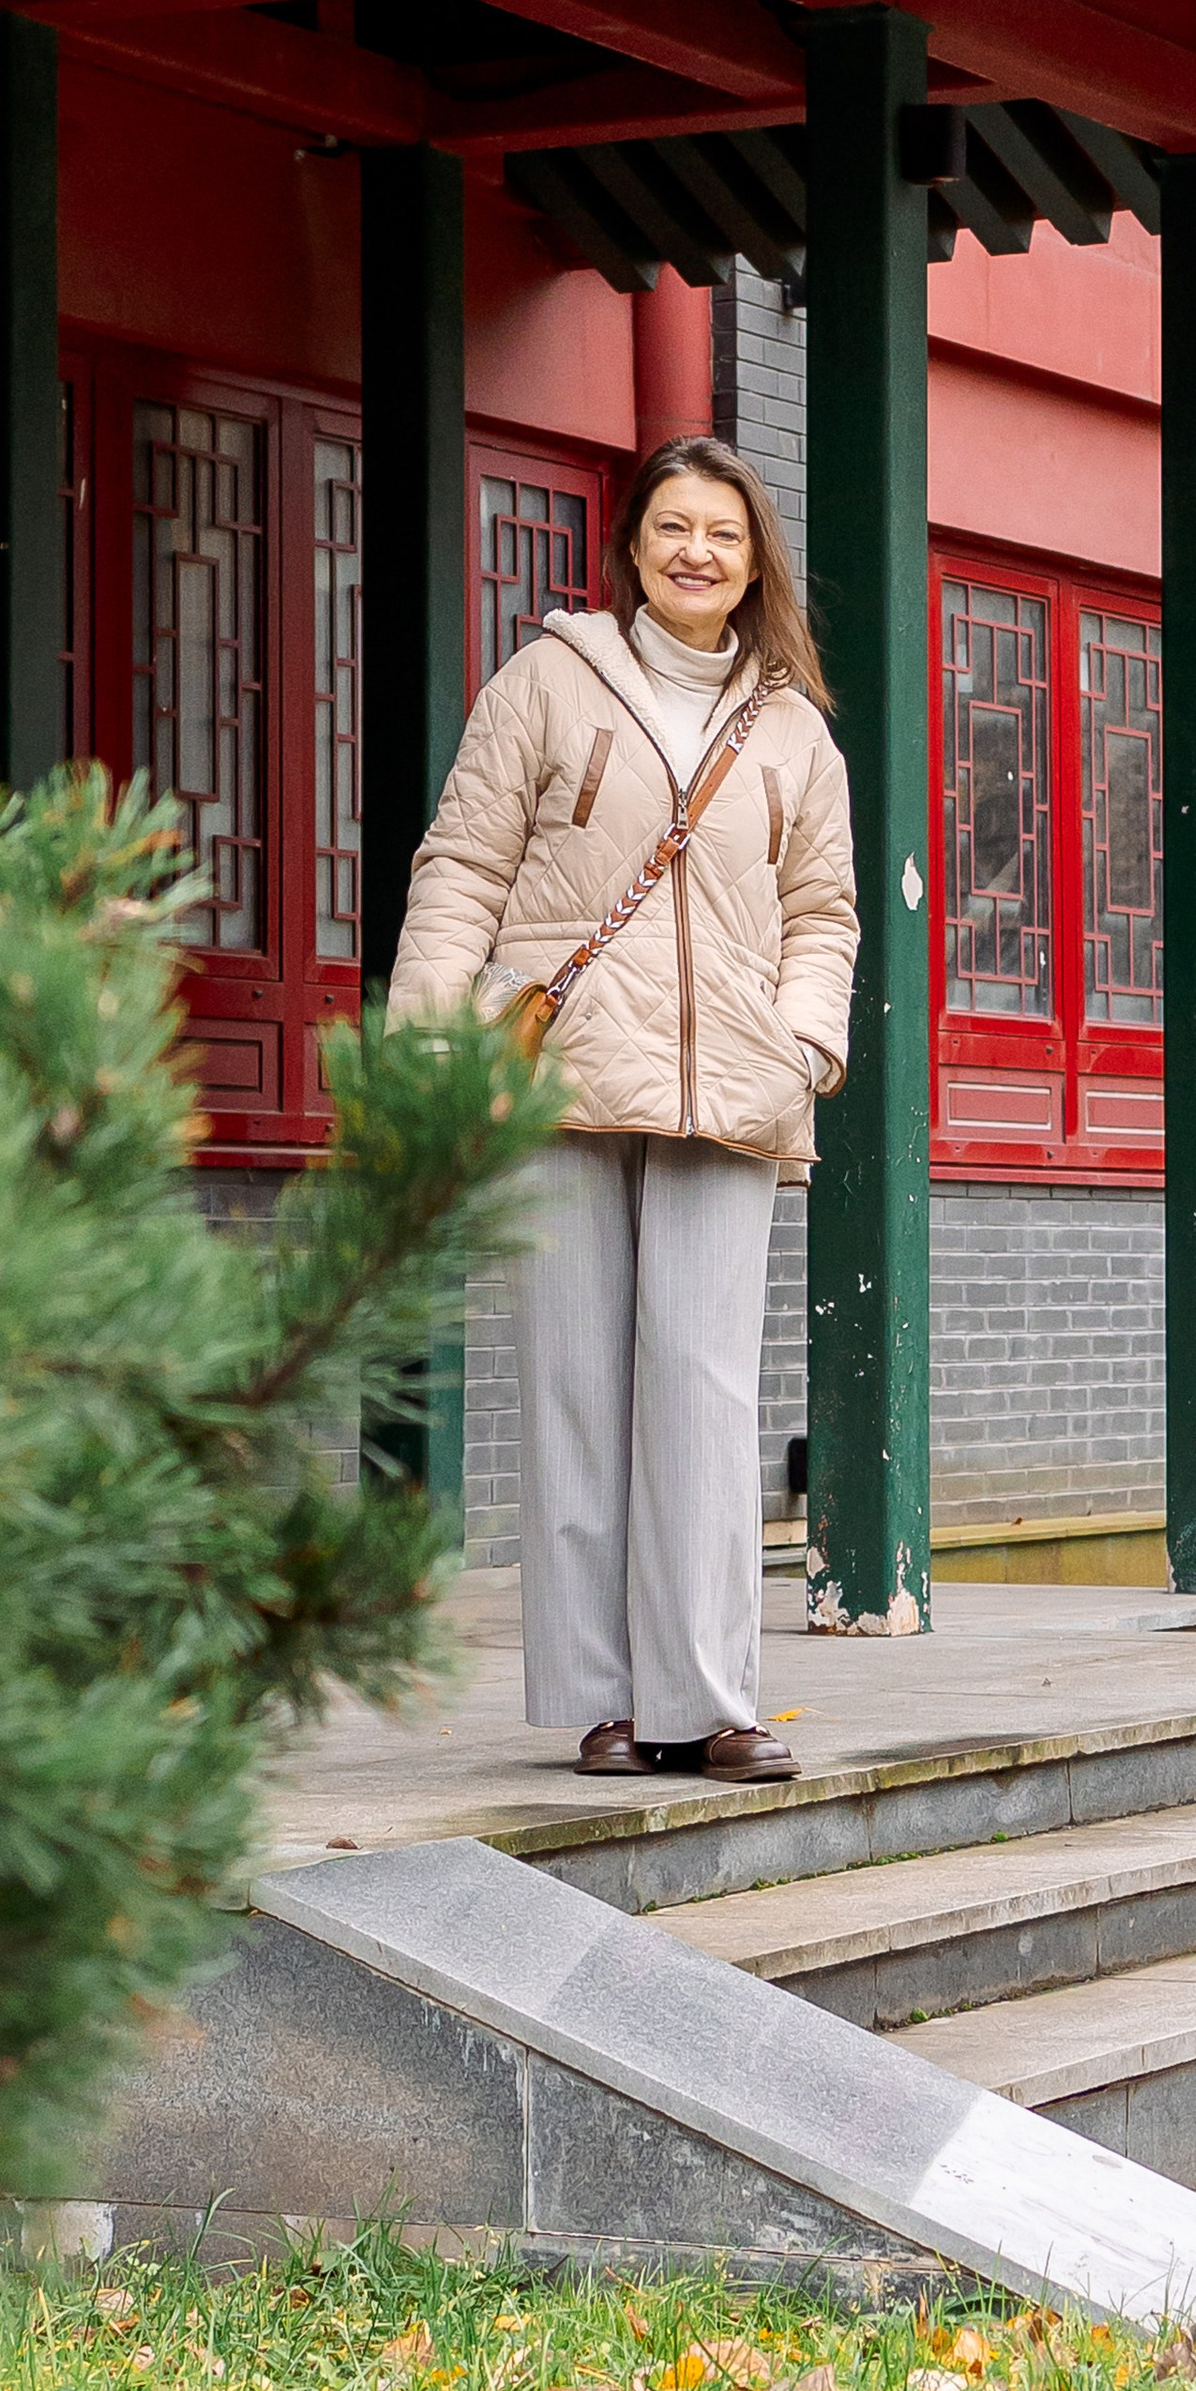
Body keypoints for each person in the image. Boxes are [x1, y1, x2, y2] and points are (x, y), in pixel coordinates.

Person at [391, 438, 857, 1782]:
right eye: (672, 526)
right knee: (576, 1387)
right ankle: (602, 1699)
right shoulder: (544, 682)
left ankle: (703, 1699)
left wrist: (808, 1032)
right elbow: (464, 864)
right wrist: (432, 1040)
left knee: (705, 1394)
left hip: (730, 1093)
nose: (696, 550)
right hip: (564, 1078)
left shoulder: (792, 730)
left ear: (755, 557)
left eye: (722, 531)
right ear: (632, 545)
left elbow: (822, 909)